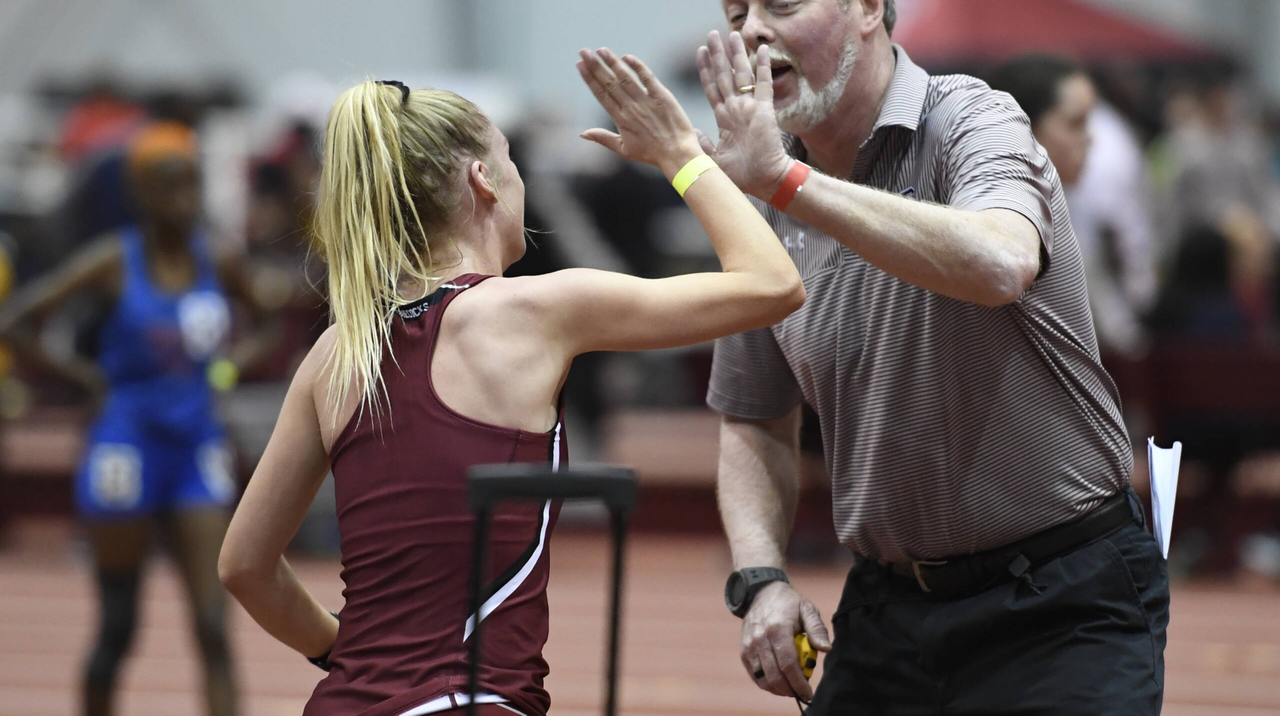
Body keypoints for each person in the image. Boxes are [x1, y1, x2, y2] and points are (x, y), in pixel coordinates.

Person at [216, 56, 804, 716]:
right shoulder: (528, 312)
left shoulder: (336, 354)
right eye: (510, 159)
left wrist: (346, 654)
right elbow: (773, 284)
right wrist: (682, 155)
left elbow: (244, 566)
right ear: (483, 180)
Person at [698, 0, 1169, 714]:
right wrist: (761, 581)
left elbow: (998, 261)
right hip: (890, 611)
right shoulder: (764, 192)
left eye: (782, 3)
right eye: (735, 12)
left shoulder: (970, 121)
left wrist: (785, 183)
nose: (751, 32)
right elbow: (751, 418)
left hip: (1061, 601)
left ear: (869, 4)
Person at [0, 121, 273, 716]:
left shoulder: (218, 260)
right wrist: (85, 378)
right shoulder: (113, 262)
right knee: (119, 625)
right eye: (169, 188)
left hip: (196, 444)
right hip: (126, 444)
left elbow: (269, 320)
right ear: (143, 194)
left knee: (212, 624)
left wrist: (230, 367)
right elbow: (16, 319)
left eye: (192, 186)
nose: (184, 201)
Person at [988, 54, 1157, 354]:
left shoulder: (1070, 207)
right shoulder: (1004, 225)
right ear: (1023, 128)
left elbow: (1119, 333)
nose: (1090, 139)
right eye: (1076, 123)